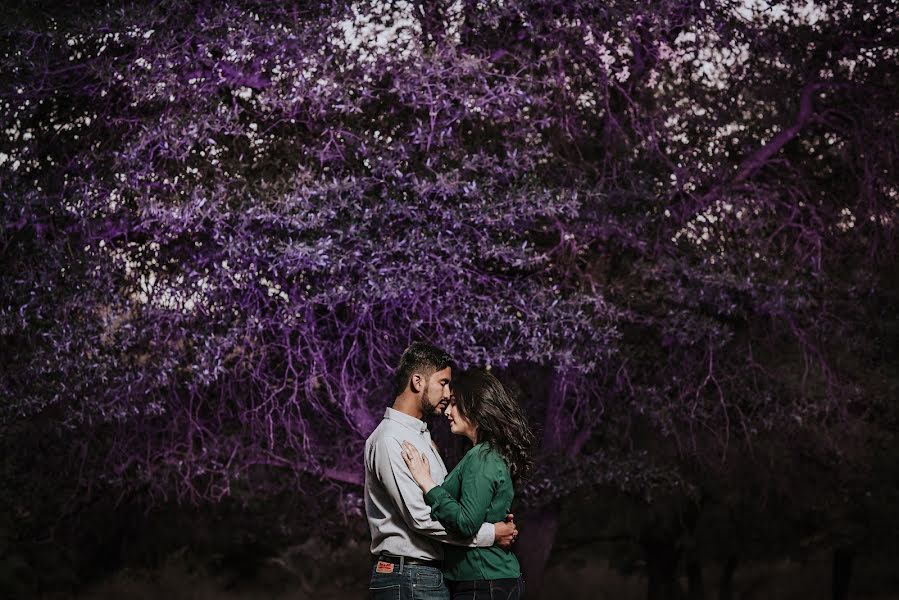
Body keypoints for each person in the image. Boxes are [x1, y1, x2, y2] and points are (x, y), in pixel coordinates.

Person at [365, 343, 518, 600]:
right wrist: (491, 534)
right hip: (409, 575)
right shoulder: (391, 439)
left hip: (424, 575)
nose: (447, 394)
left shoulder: (420, 436)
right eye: (443, 383)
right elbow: (421, 518)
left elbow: (450, 506)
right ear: (417, 382)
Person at [400, 368, 534, 600]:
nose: (447, 412)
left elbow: (466, 524)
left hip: (483, 581)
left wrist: (427, 483)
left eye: (454, 403)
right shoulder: (486, 454)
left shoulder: (481, 457)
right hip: (486, 580)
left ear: (474, 406)